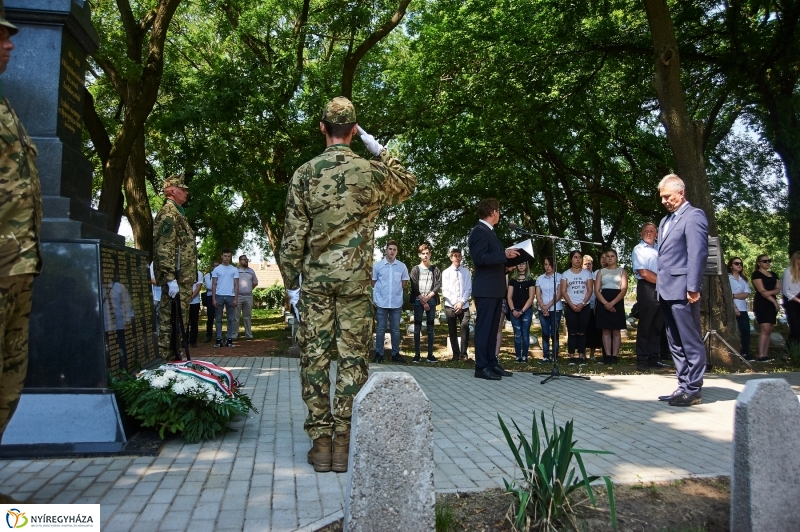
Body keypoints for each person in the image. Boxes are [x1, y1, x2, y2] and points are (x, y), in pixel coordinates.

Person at [278, 96, 415, 473]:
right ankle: (343, 443)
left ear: (322, 128)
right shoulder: (370, 171)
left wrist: (291, 284)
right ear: (354, 131)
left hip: (317, 284)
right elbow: (409, 182)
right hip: (355, 282)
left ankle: (321, 444)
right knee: (353, 359)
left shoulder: (304, 174)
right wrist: (380, 148)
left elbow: (292, 239)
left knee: (314, 358)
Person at [0, 11, 42, 504]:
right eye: (2, 37)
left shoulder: (6, 106)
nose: (11, 45)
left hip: (16, 269)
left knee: (9, 383)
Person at [655, 174, 709, 407]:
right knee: (674, 340)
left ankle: (694, 389)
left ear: (681, 193)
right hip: (666, 289)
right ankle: (683, 385)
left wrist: (693, 287)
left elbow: (697, 253)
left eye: (668, 196)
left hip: (683, 289)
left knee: (689, 339)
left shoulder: (694, 215)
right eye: (662, 197)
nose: (665, 201)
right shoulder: (665, 221)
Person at [467, 198, 519, 380]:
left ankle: (491, 362)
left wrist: (505, 267)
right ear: (494, 212)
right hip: (486, 289)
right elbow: (480, 258)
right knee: (484, 328)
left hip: (495, 288)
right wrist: (503, 254)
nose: (500, 214)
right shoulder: (479, 231)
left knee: (492, 329)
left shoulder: (490, 232)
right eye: (499, 210)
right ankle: (481, 366)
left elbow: (490, 260)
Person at [153, 174, 198, 361]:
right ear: (172, 191)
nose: (186, 192)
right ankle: (164, 361)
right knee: (168, 321)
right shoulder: (169, 214)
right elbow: (165, 247)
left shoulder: (178, 213)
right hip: (176, 279)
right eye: (182, 189)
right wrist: (170, 278)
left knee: (179, 321)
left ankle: (173, 356)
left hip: (183, 279)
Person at [632, 222, 670, 369]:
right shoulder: (639, 249)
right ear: (641, 234)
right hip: (647, 287)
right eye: (646, 230)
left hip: (663, 289)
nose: (649, 232)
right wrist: (665, 282)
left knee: (658, 325)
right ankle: (641, 359)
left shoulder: (662, 248)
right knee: (645, 324)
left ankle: (654, 357)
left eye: (652, 231)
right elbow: (644, 272)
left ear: (657, 234)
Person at [372, 240, 409, 364]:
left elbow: (404, 284)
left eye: (394, 249)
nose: (392, 251)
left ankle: (395, 354)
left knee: (395, 330)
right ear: (386, 250)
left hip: (396, 302)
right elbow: (374, 282)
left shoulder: (402, 266)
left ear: (396, 251)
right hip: (382, 302)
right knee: (380, 329)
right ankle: (379, 354)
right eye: (390, 249)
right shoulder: (378, 266)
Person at [595, 249, 628, 365]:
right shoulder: (601, 272)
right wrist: (606, 303)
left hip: (617, 300)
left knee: (616, 330)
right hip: (603, 300)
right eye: (607, 256)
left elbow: (624, 289)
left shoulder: (622, 271)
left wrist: (613, 303)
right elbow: (597, 290)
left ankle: (615, 356)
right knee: (605, 330)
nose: (609, 258)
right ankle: (607, 356)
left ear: (616, 258)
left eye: (612, 256)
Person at [410, 243, 442, 363]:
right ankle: (417, 355)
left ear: (430, 255)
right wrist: (422, 300)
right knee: (417, 328)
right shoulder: (415, 269)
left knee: (430, 329)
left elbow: (438, 285)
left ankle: (430, 355)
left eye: (427, 253)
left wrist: (427, 298)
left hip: (431, 302)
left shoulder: (435, 269)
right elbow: (413, 285)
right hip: (418, 302)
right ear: (419, 255)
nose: (425, 256)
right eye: (423, 254)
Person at [561, 250, 594, 365]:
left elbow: (590, 290)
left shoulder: (587, 274)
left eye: (579, 257)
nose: (577, 259)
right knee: (572, 332)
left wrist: (582, 304)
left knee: (582, 332)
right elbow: (563, 291)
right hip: (570, 306)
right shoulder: (566, 274)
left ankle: (581, 356)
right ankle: (571, 357)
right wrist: (571, 304)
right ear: (571, 259)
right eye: (575, 257)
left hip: (584, 306)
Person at [442, 248, 473, 363]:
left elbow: (468, 289)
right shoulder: (446, 272)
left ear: (461, 257)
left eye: (459, 255)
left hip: (464, 305)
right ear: (451, 258)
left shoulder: (466, 272)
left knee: (465, 327)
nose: (457, 258)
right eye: (454, 256)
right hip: (450, 305)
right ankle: (455, 354)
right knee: (452, 330)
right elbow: (445, 290)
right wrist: (455, 302)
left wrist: (461, 302)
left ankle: (463, 354)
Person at [752, 254, 781, 362]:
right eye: (764, 261)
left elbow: (778, 289)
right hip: (762, 303)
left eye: (769, 260)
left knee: (769, 329)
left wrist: (770, 293)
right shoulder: (756, 274)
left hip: (772, 303)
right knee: (764, 328)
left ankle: (766, 354)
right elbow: (761, 291)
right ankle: (761, 355)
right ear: (759, 263)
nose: (767, 263)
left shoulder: (773, 274)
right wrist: (775, 302)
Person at [536, 257, 562, 363]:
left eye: (550, 264)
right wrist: (543, 306)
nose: (548, 267)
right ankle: (546, 356)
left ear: (554, 265)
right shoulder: (540, 278)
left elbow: (559, 294)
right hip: (542, 310)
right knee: (545, 332)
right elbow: (538, 295)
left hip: (555, 308)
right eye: (546, 264)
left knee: (554, 332)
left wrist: (548, 306)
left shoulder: (559, 277)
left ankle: (555, 356)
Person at [507, 262, 535, 362]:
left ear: (526, 265)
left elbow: (531, 297)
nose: (521, 265)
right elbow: (509, 297)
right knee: (517, 334)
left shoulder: (530, 280)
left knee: (525, 333)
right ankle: (518, 356)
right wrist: (513, 310)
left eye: (523, 264)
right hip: (514, 310)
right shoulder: (513, 280)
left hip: (526, 311)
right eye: (519, 264)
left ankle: (525, 356)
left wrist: (522, 310)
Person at [212, 249, 239, 348]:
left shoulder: (234, 269)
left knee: (231, 319)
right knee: (218, 319)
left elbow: (236, 285)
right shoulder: (217, 269)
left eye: (228, 256)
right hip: (219, 296)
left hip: (231, 296)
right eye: (225, 256)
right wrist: (213, 299)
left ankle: (229, 339)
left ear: (230, 257)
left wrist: (236, 298)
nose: (227, 258)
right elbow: (214, 284)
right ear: (221, 256)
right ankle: (219, 339)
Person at [727, 257, 752, 360]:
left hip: (742, 308)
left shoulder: (744, 279)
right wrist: (734, 306)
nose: (739, 265)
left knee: (745, 330)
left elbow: (746, 294)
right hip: (731, 308)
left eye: (741, 264)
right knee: (731, 331)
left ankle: (745, 353)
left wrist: (734, 295)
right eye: (736, 263)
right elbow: (726, 294)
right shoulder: (727, 278)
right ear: (731, 265)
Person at [584, 254, 603, 361]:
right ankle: (583, 354)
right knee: (584, 331)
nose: (588, 265)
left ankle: (592, 354)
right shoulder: (580, 275)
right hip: (583, 306)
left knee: (594, 331)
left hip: (594, 307)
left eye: (589, 263)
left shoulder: (596, 275)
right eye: (585, 264)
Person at [235, 255, 259, 340]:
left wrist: (249, 288)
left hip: (248, 297)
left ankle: (248, 335)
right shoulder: (235, 271)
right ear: (240, 261)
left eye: (247, 260)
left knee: (247, 317)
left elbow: (255, 282)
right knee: (236, 317)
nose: (246, 261)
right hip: (237, 297)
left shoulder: (251, 271)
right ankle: (234, 335)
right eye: (244, 260)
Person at [782, 251, 800, 348]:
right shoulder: (788, 271)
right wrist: (798, 300)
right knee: (795, 328)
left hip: (798, 299)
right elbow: (785, 291)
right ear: (796, 260)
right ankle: (788, 351)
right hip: (791, 302)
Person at [202, 261, 219, 341]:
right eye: (215, 266)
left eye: (217, 266)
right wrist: (217, 287)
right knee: (210, 317)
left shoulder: (221, 275)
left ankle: (218, 335)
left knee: (219, 317)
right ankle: (209, 335)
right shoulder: (207, 275)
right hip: (210, 297)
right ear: (212, 267)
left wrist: (215, 287)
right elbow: (209, 286)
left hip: (219, 297)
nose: (216, 267)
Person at [188, 269, 203, 348]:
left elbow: (198, 287)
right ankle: (184, 340)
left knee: (194, 322)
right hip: (183, 302)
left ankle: (193, 341)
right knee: (184, 322)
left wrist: (190, 297)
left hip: (195, 301)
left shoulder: (198, 273)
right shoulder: (181, 271)